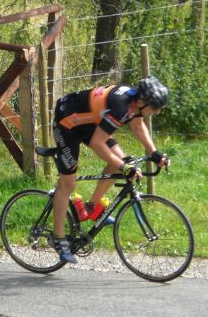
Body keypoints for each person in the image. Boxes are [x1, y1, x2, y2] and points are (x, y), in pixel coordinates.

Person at [50, 76, 171, 263]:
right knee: (68, 183)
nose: (157, 111)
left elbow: (137, 125)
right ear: (142, 101)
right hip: (67, 124)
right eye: (155, 107)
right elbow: (98, 143)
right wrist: (123, 167)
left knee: (119, 161)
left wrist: (155, 153)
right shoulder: (120, 106)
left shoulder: (134, 104)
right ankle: (58, 238)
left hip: (88, 122)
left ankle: (91, 208)